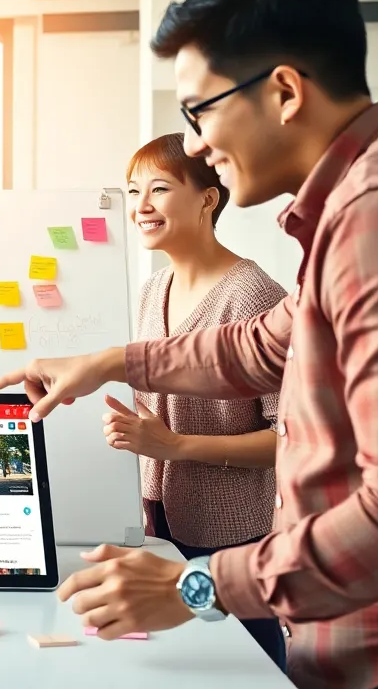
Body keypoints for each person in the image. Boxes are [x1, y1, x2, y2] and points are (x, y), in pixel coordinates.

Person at [0, 0, 378, 689]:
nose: (194, 142)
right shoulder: (371, 202)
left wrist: (197, 588)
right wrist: (103, 363)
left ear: (284, 91)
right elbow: (262, 345)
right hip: (372, 641)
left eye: (200, 111)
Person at [116, 132, 288, 670]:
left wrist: (173, 445)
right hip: (157, 520)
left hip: (233, 534)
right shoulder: (151, 291)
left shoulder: (253, 295)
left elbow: (291, 441)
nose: (141, 206)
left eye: (159, 189)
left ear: (208, 198)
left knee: (246, 668)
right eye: (132, 190)